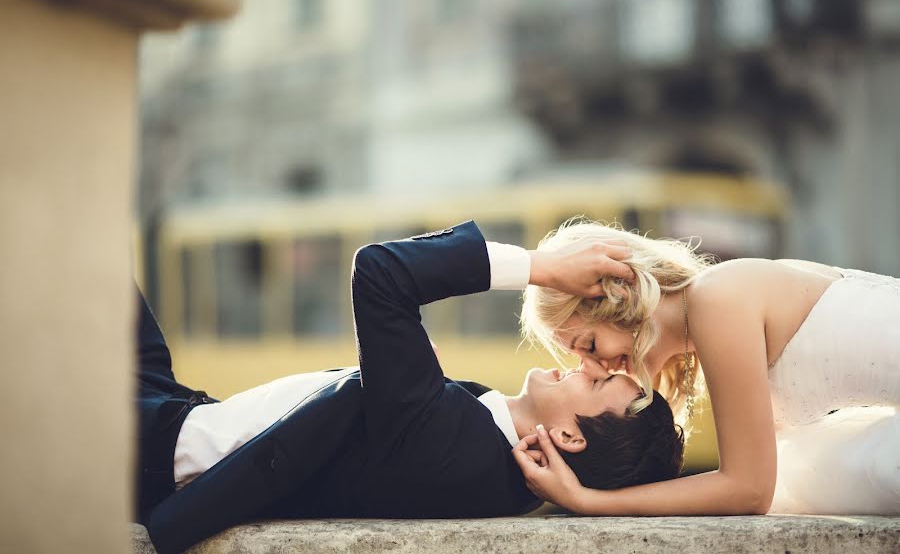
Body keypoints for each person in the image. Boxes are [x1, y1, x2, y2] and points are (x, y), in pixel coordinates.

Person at [137, 221, 685, 554]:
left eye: (600, 381)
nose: (584, 365)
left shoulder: (456, 442)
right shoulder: (476, 445)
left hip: (152, 444)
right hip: (177, 408)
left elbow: (380, 271)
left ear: (568, 437)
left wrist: (545, 268)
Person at [512, 218, 900, 516]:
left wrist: (587, 501)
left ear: (619, 297)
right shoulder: (709, 317)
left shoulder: (716, 300)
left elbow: (750, 489)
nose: (594, 369)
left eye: (590, 346)